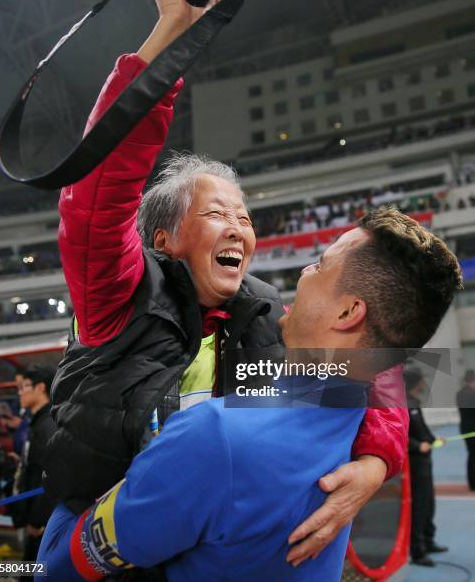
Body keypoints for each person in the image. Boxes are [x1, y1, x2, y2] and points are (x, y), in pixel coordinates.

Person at [43, 0, 409, 566]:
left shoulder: (270, 313)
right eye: (217, 213)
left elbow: (378, 371)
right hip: (98, 531)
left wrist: (376, 462)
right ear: (164, 238)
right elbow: (97, 188)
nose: (240, 227)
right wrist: (170, 37)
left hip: (202, 529)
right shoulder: (116, 292)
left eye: (244, 216)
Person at [39, 208, 462, 581]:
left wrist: (85, 459)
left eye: (319, 264)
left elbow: (56, 568)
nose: (303, 273)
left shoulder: (212, 435)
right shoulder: (355, 420)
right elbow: (383, 360)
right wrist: (378, 460)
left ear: (349, 313)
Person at [14, 364, 58, 568]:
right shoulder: (38, 421)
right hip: (36, 514)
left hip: (42, 522)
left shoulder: (47, 424)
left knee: (35, 571)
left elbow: (51, 476)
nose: (20, 392)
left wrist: (37, 520)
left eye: (24, 387)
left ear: (40, 388)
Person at [405, 366, 449, 567]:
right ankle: (418, 551)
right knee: (420, 506)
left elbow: (421, 429)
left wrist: (433, 439)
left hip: (425, 461)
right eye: (421, 380)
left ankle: (429, 541)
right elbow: (401, 436)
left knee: (429, 502)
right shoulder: (402, 404)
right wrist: (416, 445)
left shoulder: (414, 403)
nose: (424, 383)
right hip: (414, 463)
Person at [456, 369, 475, 490]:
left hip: (466, 427)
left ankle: (472, 482)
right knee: (473, 455)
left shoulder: (461, 393)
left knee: (472, 454)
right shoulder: (468, 394)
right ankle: (473, 482)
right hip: (471, 428)